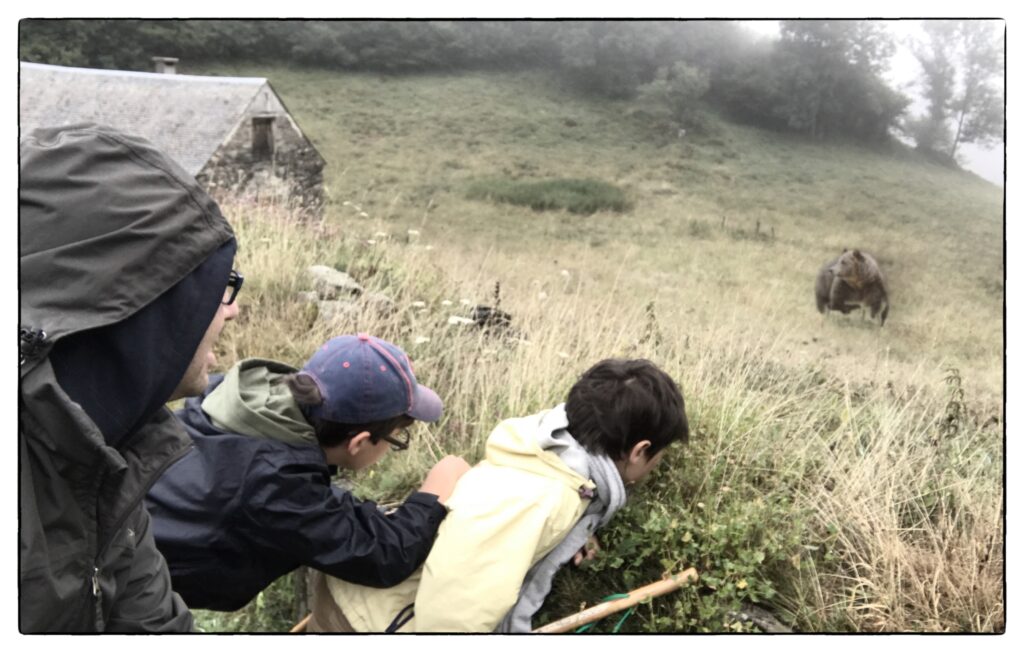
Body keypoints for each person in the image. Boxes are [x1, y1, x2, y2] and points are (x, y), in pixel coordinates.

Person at [19, 123, 241, 632]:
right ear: (146, 306)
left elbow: (156, 625)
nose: (232, 311)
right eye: (218, 287)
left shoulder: (112, 446)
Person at [309, 358, 689, 633]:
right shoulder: (540, 498)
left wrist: (576, 530)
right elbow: (454, 614)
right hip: (371, 623)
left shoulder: (545, 453)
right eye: (659, 456)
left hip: (370, 606)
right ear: (639, 451)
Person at [145, 333, 471, 612]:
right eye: (396, 437)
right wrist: (436, 489)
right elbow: (385, 555)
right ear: (358, 442)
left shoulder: (235, 401)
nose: (394, 445)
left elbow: (309, 506)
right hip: (123, 596)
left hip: (127, 544)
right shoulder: (274, 484)